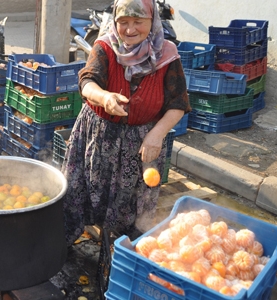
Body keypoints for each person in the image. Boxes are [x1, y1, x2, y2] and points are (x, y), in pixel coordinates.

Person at [62, 0, 191, 244]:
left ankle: (125, 251)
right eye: (123, 22)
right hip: (100, 135)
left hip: (142, 142)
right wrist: (104, 97)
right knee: (83, 191)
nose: (130, 29)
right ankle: (65, 242)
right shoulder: (105, 46)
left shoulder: (167, 54)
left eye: (138, 22)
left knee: (133, 204)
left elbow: (178, 103)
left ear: (151, 21)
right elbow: (87, 82)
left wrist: (157, 134)